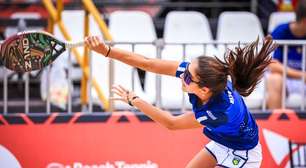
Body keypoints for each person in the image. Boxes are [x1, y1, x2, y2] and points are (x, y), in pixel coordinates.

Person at [85, 36, 276, 168]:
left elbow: (172, 123)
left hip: (244, 153)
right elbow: (148, 63)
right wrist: (107, 51)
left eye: (187, 78)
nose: (182, 76)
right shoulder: (200, 75)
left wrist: (133, 99)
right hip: (223, 142)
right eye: (184, 71)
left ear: (204, 90)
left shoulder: (221, 112)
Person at [267, 0, 306, 109]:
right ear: (304, 21)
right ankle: (275, 125)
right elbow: (272, 64)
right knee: (275, 79)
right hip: (285, 77)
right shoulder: (280, 32)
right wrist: (301, 75)